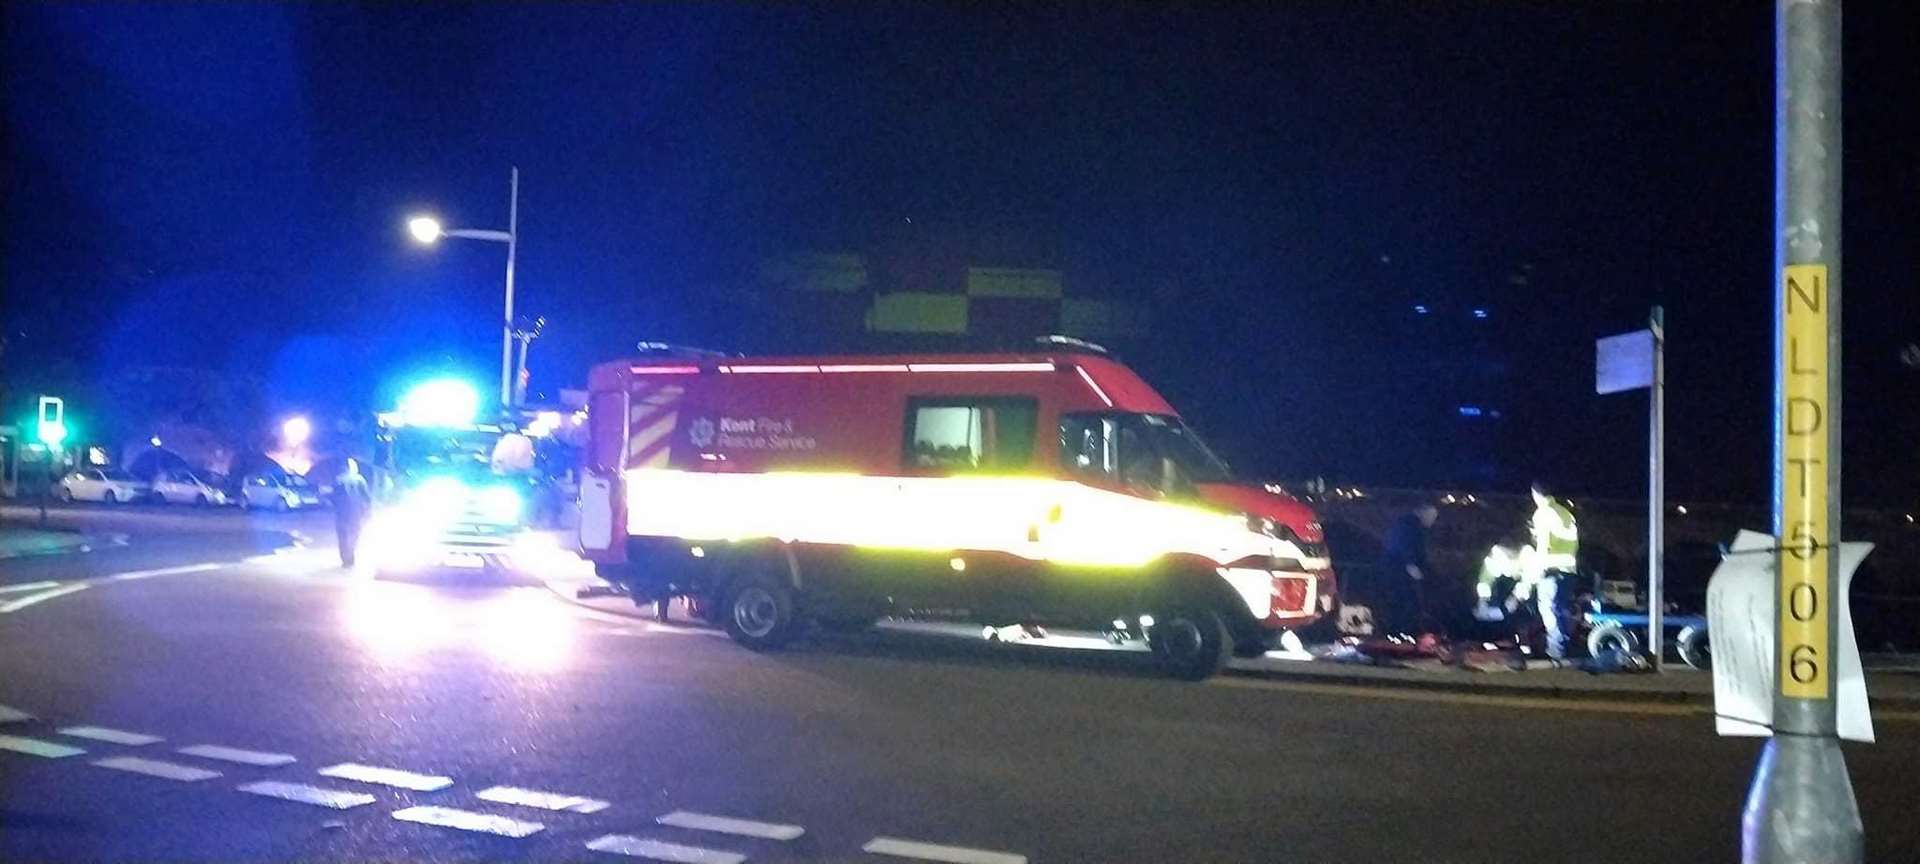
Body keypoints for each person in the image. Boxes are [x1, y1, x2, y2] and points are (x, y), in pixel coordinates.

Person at [1523, 482, 1579, 658]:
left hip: (1552, 570)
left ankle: (1556, 651)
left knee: (1549, 611)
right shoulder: (1566, 513)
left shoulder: (1543, 513)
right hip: (1569, 570)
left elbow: (1543, 546)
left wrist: (1536, 571)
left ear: (1535, 494)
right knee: (1561, 610)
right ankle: (1565, 649)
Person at [1375, 502, 1439, 640]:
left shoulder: (1408, 525)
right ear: (1424, 513)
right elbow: (1405, 547)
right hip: (1400, 572)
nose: (1433, 521)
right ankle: (1401, 632)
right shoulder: (1409, 527)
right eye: (1432, 517)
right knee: (1405, 602)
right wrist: (1410, 565)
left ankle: (1401, 631)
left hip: (1400, 570)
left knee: (1404, 602)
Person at [332, 458, 373, 568]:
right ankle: (351, 554)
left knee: (342, 536)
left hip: (341, 512)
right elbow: (367, 497)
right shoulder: (359, 479)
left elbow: (334, 498)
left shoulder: (338, 479)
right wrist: (368, 510)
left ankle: (346, 559)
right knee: (355, 534)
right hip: (356, 512)